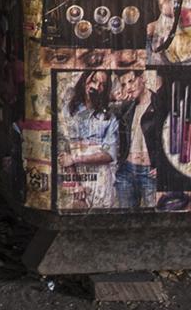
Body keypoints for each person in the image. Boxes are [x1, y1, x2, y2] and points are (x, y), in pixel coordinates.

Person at [58, 69, 121, 209]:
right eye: (94, 80)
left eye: (102, 84)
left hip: (102, 181)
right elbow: (65, 152)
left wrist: (75, 158)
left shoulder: (109, 117)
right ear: (85, 80)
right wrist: (76, 184)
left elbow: (109, 154)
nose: (97, 87)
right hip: (77, 178)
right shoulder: (69, 111)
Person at [111, 69, 165, 209]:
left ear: (143, 78)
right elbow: (106, 112)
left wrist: (164, 164)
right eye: (124, 84)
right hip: (126, 171)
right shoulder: (127, 107)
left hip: (150, 173)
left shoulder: (160, 103)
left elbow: (172, 135)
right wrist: (115, 98)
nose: (128, 87)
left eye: (131, 81)